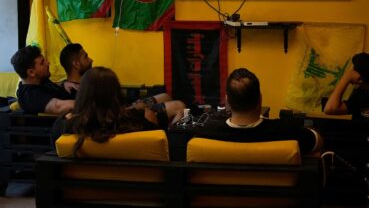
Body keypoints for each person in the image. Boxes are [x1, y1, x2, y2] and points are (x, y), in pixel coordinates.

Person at [51, 67, 186, 153]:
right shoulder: (135, 121)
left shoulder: (62, 127)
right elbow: (160, 146)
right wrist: (163, 123)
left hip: (78, 191)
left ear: (82, 95)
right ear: (116, 94)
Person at [195, 68, 322, 155]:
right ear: (260, 99)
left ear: (227, 103)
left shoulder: (205, 135)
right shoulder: (286, 132)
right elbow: (318, 141)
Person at [11, 45, 74, 115]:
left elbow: (51, 86)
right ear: (31, 72)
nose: (48, 63)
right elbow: (58, 106)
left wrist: (63, 83)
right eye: (42, 63)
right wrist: (86, 103)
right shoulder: (30, 96)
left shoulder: (39, 80)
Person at [323, 53, 369, 118]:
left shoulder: (364, 96)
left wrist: (347, 77)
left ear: (359, 76)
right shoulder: (367, 91)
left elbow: (329, 109)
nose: (351, 71)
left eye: (353, 69)